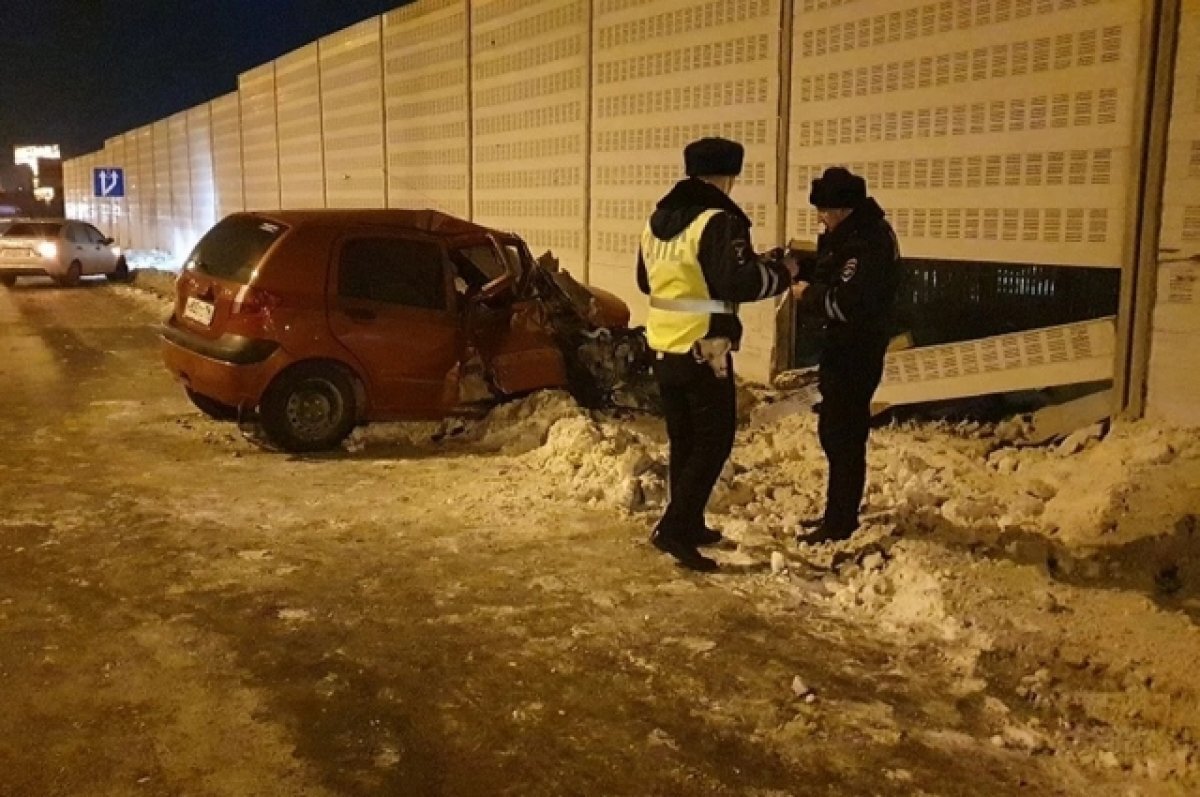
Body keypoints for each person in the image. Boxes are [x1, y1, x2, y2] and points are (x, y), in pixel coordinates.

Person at [637, 137, 798, 571]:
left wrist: (747, 264)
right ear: (728, 177)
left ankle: (688, 521)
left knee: (684, 440)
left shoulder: (658, 219)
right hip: (703, 347)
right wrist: (783, 272)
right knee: (715, 438)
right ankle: (674, 527)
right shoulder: (720, 221)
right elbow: (737, 284)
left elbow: (646, 281)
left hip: (664, 345)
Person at [791, 166, 900, 545]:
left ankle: (840, 523)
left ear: (842, 209)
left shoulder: (867, 244)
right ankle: (837, 513)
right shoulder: (848, 236)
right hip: (842, 349)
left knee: (844, 435)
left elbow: (846, 302)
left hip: (857, 351)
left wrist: (808, 296)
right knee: (836, 432)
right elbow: (829, 272)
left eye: (823, 211)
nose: (820, 219)